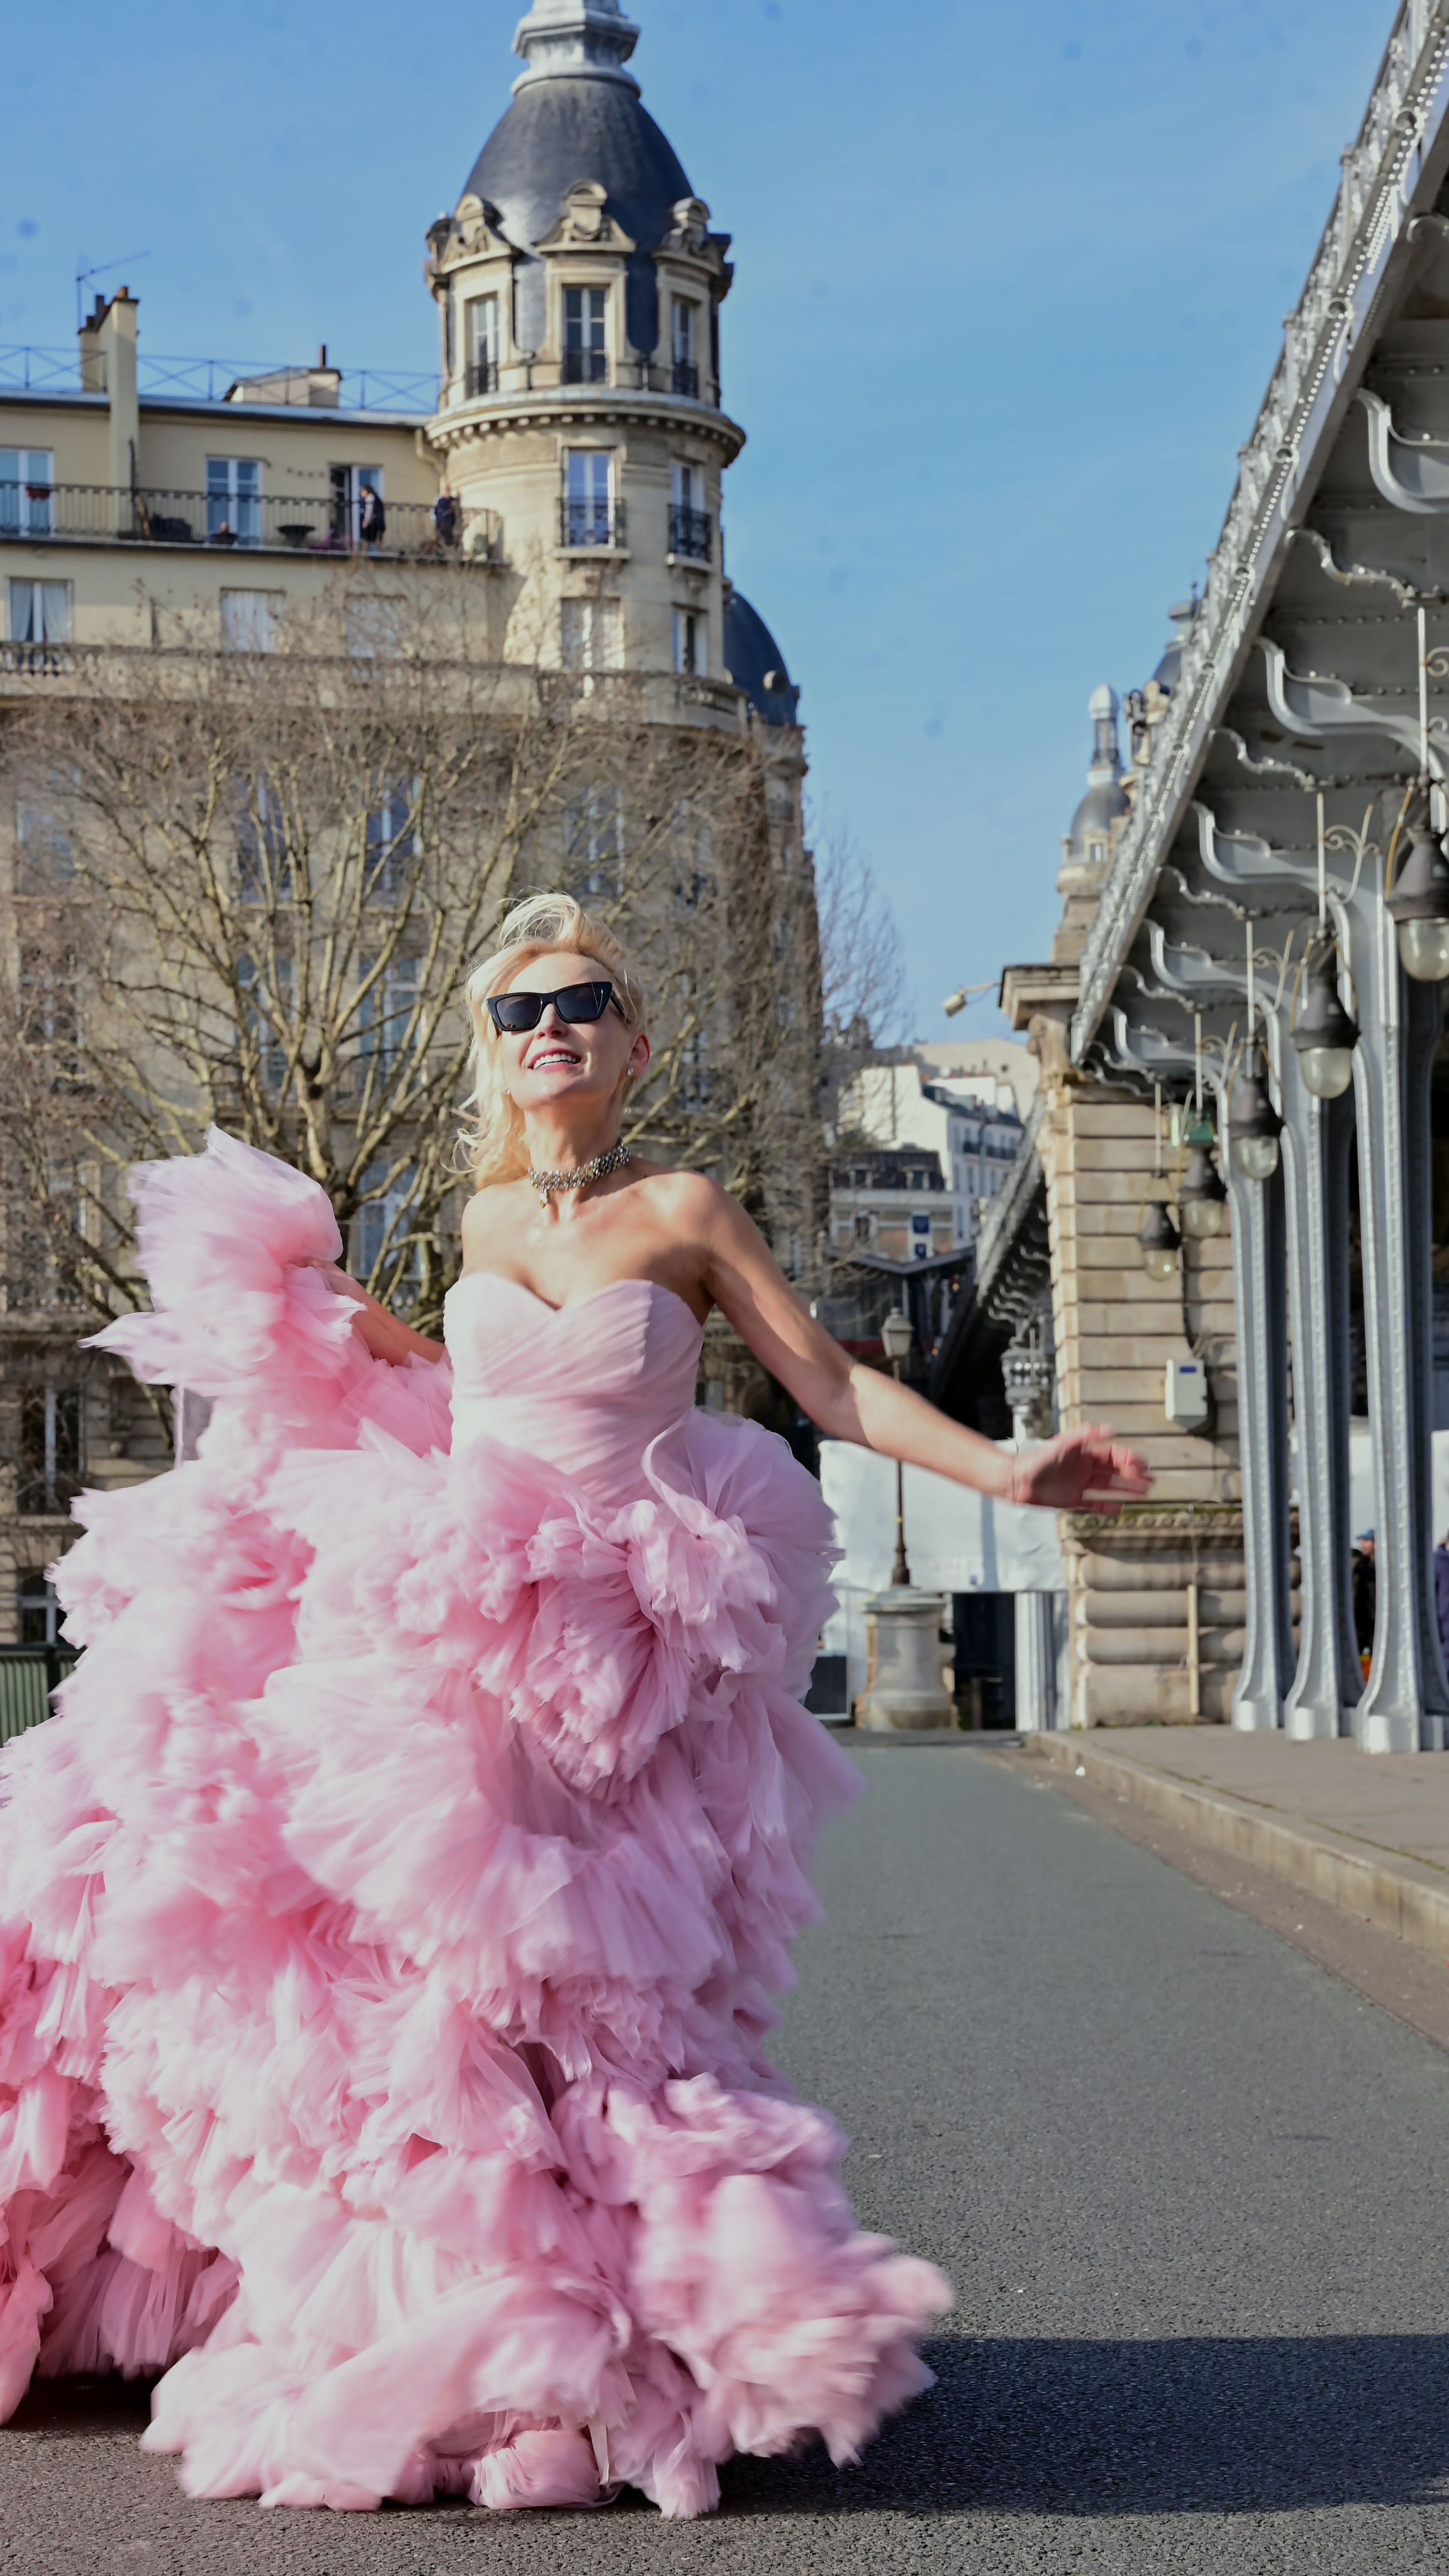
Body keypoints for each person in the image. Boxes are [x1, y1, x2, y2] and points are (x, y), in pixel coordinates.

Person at [0, 894, 1149, 2518]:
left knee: (588, 1991)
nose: (553, 1026)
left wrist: (1007, 1467)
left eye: (585, 1001)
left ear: (634, 1041)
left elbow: (822, 1381)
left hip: (614, 1639)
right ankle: (462, 2327)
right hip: (446, 1621)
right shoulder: (469, 1219)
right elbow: (464, 1403)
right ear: (490, 1047)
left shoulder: (684, 1203)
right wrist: (329, 1323)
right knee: (438, 2000)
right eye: (520, 1008)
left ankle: (616, 2333)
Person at [1353, 1529, 1376, 1677]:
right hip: (1361, 1625)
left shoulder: (1375, 1570)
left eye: (1367, 1541)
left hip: (1375, 1626)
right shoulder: (1361, 1567)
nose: (1363, 1544)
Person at [357, 480, 386, 550]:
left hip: (374, 523)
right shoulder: (376, 498)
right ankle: (382, 555)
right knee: (376, 540)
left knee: (367, 539)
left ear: (366, 491)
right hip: (379, 522)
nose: (361, 493)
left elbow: (369, 510)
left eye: (362, 491)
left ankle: (364, 556)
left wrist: (366, 521)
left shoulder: (370, 497)